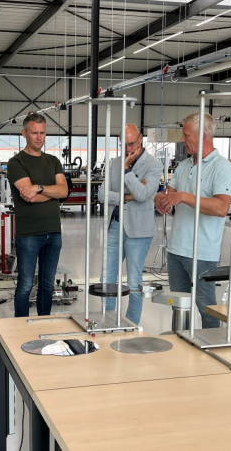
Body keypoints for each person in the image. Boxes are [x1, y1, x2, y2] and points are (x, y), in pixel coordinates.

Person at [154, 112, 231, 329]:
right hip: (176, 250)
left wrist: (184, 197)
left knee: (207, 309)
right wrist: (160, 200)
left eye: (186, 135)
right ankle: (181, 348)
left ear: (203, 137)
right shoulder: (184, 165)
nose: (182, 140)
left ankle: (212, 351)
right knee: (179, 306)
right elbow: (168, 194)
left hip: (202, 253)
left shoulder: (222, 167)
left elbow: (221, 208)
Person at [98, 124, 163, 325]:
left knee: (134, 281)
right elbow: (101, 194)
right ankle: (107, 320)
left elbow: (143, 195)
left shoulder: (154, 164)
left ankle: (132, 323)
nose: (128, 149)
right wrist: (127, 196)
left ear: (141, 138)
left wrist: (127, 171)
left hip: (139, 231)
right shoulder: (114, 163)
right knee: (107, 278)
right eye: (124, 144)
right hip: (115, 226)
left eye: (132, 143)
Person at [6, 113, 68, 318]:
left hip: (54, 232)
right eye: (34, 133)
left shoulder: (53, 161)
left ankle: (45, 324)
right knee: (25, 285)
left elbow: (64, 192)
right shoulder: (16, 162)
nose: (39, 137)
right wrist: (51, 193)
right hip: (29, 234)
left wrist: (39, 188)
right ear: (24, 133)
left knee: (47, 285)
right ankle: (20, 329)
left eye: (42, 133)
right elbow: (28, 196)